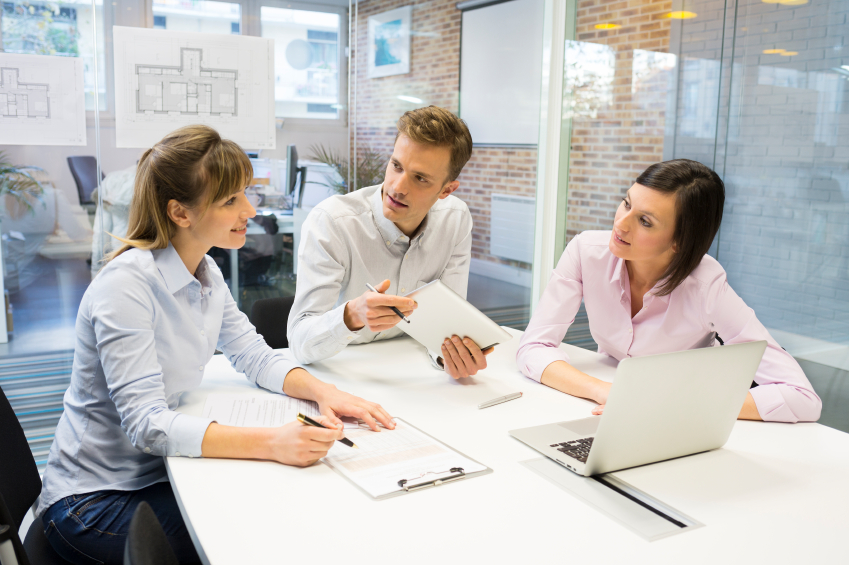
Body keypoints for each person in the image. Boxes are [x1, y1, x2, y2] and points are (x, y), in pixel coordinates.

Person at [37, 125, 394, 565]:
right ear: (180, 213)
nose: (250, 209)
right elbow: (147, 424)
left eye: (244, 193)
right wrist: (273, 442)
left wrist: (328, 394)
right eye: (230, 201)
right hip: (93, 502)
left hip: (158, 474)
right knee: (253, 531)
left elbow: (253, 355)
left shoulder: (204, 270)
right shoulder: (125, 286)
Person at [516, 159, 821, 423]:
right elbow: (533, 347)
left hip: (686, 419)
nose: (620, 225)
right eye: (626, 203)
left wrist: (673, 404)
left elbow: (802, 397)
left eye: (645, 221)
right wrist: (604, 391)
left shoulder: (706, 285)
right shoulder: (586, 251)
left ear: (680, 241)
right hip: (615, 405)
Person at [288, 106, 490, 380]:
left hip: (412, 372)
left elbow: (447, 328)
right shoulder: (333, 221)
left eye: (420, 178)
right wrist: (351, 316)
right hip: (338, 370)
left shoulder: (455, 219)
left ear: (446, 190)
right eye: (396, 166)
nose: (397, 187)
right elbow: (299, 341)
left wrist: (451, 357)